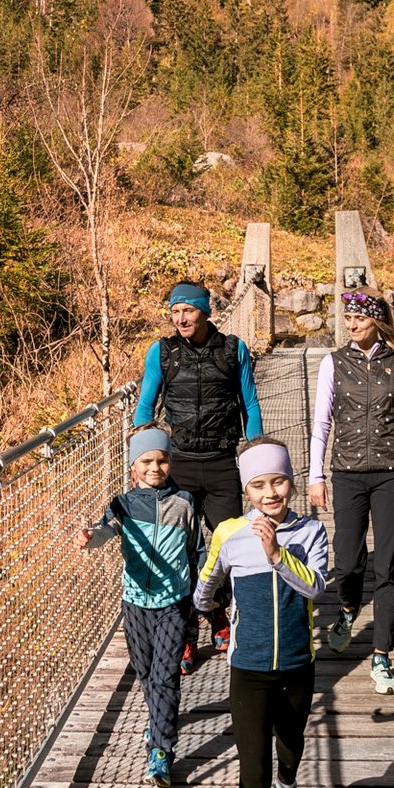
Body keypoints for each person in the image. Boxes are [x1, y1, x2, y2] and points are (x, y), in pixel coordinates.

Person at [193, 437, 331, 788]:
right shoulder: (229, 534)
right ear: (245, 490)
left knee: (290, 745)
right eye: (258, 485)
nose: (270, 492)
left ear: (291, 481)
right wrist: (213, 607)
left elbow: (317, 587)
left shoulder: (311, 531)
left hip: (297, 665)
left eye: (278, 480)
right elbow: (205, 587)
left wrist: (276, 555)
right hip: (247, 671)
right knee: (251, 778)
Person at [134, 280, 266, 672]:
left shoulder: (233, 349)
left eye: (187, 311)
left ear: (205, 312)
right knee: (181, 554)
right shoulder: (162, 352)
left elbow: (250, 403)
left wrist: (258, 457)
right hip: (180, 466)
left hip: (223, 463)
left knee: (229, 547)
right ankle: (187, 636)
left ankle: (218, 610)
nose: (180, 319)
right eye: (174, 312)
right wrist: (143, 461)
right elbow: (145, 406)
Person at [307, 291, 394, 696]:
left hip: (392, 473)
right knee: (347, 559)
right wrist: (316, 475)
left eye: (359, 318)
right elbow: (322, 422)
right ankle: (347, 608)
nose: (351, 324)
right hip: (346, 473)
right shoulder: (333, 363)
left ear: (377, 322)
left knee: (389, 565)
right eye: (348, 318)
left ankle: (381, 655)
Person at [76, 426, 200, 788]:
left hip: (173, 603)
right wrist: (89, 537)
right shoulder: (123, 505)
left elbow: (195, 548)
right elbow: (104, 530)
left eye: (162, 460)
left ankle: (161, 750)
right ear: (133, 466)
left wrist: (200, 592)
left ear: (170, 462)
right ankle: (158, 718)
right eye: (146, 461)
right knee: (145, 672)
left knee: (165, 676)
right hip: (134, 603)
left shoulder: (185, 503)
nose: (155, 468)